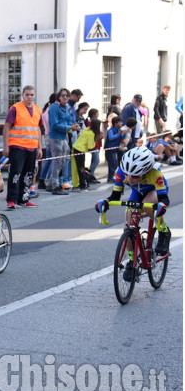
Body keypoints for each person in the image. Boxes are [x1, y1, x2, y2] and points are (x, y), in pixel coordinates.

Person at [95, 146, 171, 281]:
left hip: (154, 192)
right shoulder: (121, 172)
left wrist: (162, 206)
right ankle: (132, 261)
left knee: (148, 205)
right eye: (127, 174)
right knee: (128, 227)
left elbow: (164, 198)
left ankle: (164, 231)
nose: (130, 179)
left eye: (135, 176)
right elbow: (115, 196)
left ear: (146, 172)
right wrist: (105, 201)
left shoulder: (155, 174)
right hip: (137, 194)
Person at [2, 85, 42, 209]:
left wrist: (39, 147)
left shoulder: (37, 110)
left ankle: (24, 199)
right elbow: (6, 127)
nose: (30, 97)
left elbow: (38, 129)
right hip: (17, 146)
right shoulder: (15, 109)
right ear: (22, 95)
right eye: (27, 94)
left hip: (32, 147)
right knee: (15, 174)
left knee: (29, 174)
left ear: (35, 95)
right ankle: (12, 200)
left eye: (32, 95)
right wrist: (6, 146)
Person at [47, 88, 75, 195]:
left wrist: (72, 126)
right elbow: (54, 124)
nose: (65, 98)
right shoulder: (54, 107)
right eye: (63, 95)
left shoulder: (66, 107)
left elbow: (68, 121)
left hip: (64, 137)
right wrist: (70, 127)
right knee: (57, 162)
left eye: (67, 96)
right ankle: (55, 186)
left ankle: (50, 184)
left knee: (62, 161)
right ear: (59, 97)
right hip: (56, 137)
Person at [71, 119, 101, 191]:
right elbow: (90, 146)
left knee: (75, 168)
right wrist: (95, 141)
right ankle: (82, 186)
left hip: (75, 148)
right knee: (81, 169)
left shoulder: (87, 129)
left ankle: (76, 185)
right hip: (80, 150)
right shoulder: (91, 134)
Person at [38, 93, 58, 190]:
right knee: (53, 160)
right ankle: (50, 180)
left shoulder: (46, 109)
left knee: (49, 159)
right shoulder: (52, 109)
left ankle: (42, 180)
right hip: (52, 135)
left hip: (47, 135)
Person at [104, 116, 126, 183]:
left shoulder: (119, 129)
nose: (121, 123)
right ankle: (110, 178)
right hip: (110, 149)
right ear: (115, 123)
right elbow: (111, 138)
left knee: (115, 163)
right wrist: (118, 134)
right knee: (112, 164)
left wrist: (123, 134)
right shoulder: (111, 130)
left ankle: (112, 177)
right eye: (120, 122)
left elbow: (122, 137)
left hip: (115, 149)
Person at [86, 109, 102, 183]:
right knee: (96, 160)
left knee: (94, 160)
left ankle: (91, 175)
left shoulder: (95, 122)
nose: (98, 115)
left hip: (97, 143)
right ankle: (90, 174)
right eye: (97, 113)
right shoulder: (90, 123)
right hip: (94, 144)